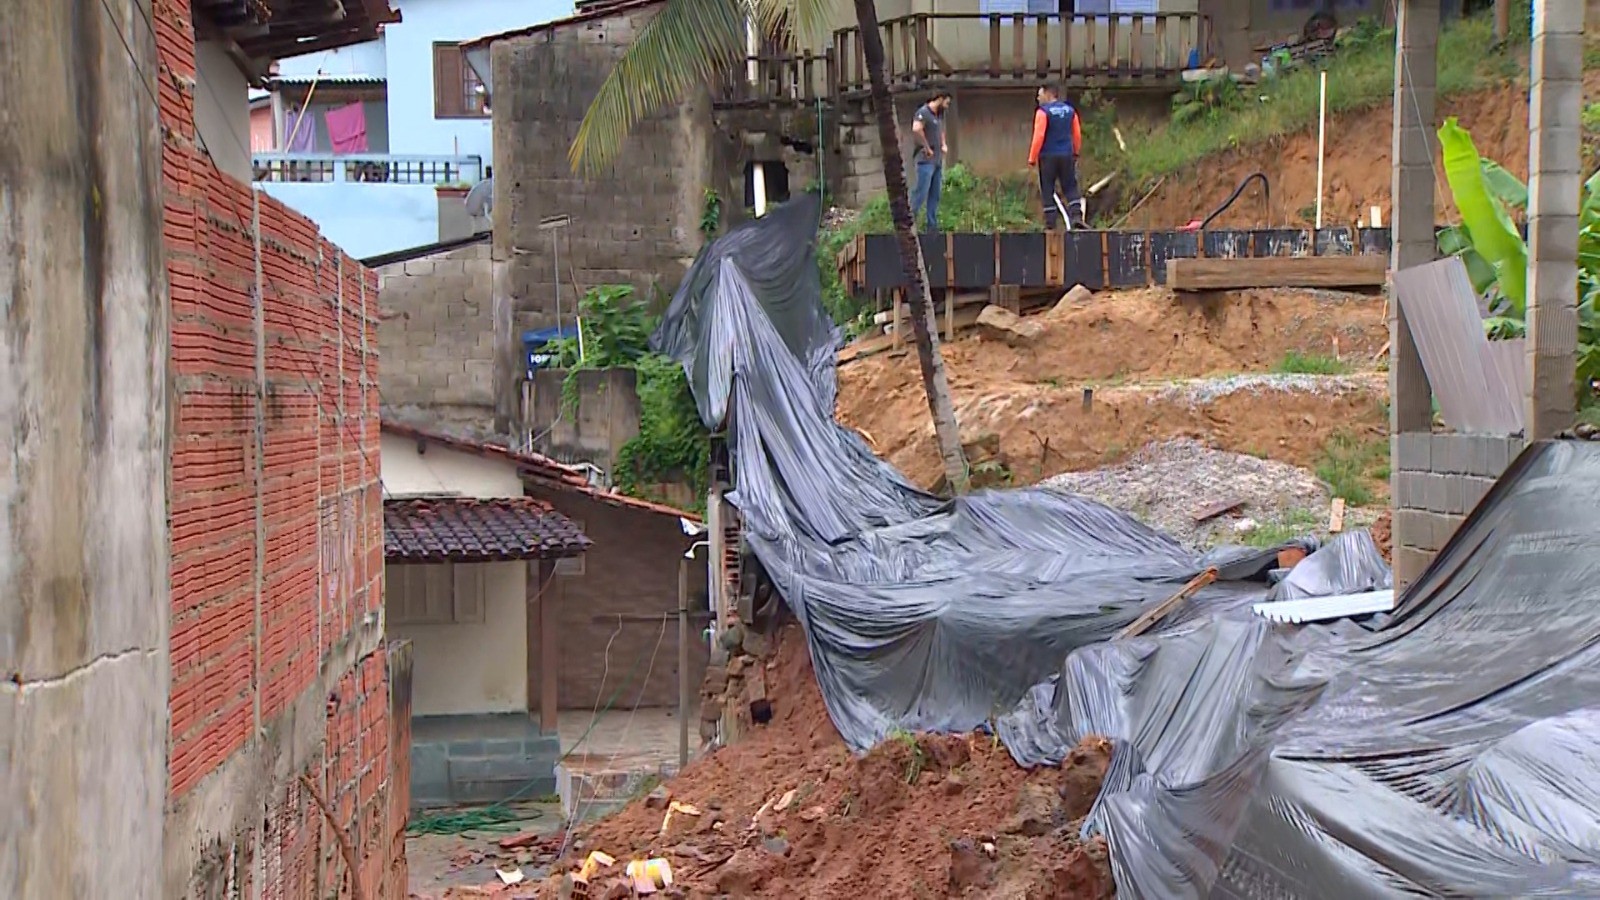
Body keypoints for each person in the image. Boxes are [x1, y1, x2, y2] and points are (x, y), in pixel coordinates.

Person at [1028, 84, 1084, 230]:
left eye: (1040, 95)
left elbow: (1039, 136)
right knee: (1070, 186)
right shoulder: (1070, 111)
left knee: (1048, 188)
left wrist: (1032, 158)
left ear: (1048, 94)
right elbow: (1077, 134)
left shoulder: (1043, 112)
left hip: (1048, 156)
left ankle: (1051, 223)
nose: (1038, 98)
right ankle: (1076, 216)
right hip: (1067, 155)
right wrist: (1076, 152)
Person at [909, 91, 951, 232]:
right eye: (946, 103)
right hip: (926, 161)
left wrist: (943, 144)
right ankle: (910, 223)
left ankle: (932, 226)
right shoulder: (923, 112)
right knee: (921, 192)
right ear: (940, 99)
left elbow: (941, 130)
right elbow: (916, 129)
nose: (947, 106)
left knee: (935, 194)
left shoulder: (939, 115)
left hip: (937, 161)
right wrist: (927, 147)